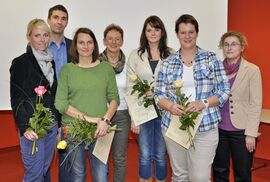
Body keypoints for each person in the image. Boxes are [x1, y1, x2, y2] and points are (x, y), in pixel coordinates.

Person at [154, 14, 230, 182]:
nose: (187, 36)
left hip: (205, 126)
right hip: (175, 126)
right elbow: (158, 94)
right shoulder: (167, 62)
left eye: (191, 32)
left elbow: (224, 90)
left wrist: (203, 103)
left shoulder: (211, 59)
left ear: (197, 33)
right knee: (180, 176)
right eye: (183, 32)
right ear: (177, 34)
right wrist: (170, 106)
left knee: (200, 178)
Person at [55, 27, 119, 182]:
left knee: (101, 175)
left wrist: (105, 121)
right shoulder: (67, 70)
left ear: (95, 45)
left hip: (100, 129)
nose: (85, 46)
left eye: (89, 42)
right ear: (75, 46)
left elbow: (114, 99)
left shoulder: (105, 68)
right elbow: (60, 103)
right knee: (77, 176)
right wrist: (89, 119)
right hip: (72, 129)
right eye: (81, 42)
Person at [10, 19, 60, 182]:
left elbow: (52, 94)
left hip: (51, 124)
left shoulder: (50, 60)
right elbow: (16, 98)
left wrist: (57, 124)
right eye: (37, 35)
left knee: (44, 170)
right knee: (34, 173)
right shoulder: (21, 62)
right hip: (33, 126)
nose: (42, 39)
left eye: (46, 35)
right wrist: (24, 127)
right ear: (29, 37)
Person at [127, 15, 173, 182]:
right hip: (142, 111)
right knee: (145, 154)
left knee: (161, 154)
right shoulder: (135, 55)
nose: (153, 33)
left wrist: (158, 92)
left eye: (156, 29)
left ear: (162, 32)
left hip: (165, 110)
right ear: (144, 33)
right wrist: (134, 118)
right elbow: (130, 87)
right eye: (149, 30)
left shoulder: (171, 55)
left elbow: (175, 85)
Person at [213, 31, 262, 182]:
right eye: (226, 44)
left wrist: (251, 134)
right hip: (218, 129)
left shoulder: (252, 70)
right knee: (219, 171)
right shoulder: (216, 69)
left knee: (242, 173)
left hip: (241, 132)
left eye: (234, 44)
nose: (229, 48)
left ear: (242, 48)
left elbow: (256, 103)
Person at [99, 24, 131, 182]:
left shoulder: (129, 64)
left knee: (119, 157)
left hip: (122, 115)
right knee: (101, 157)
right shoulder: (96, 63)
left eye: (117, 39)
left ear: (122, 41)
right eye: (110, 39)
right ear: (104, 41)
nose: (113, 42)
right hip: (101, 116)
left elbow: (133, 92)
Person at [46, 5, 72, 182]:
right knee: (45, 155)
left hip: (69, 106)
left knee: (66, 152)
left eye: (63, 18)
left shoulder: (73, 46)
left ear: (67, 22)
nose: (59, 21)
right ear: (49, 20)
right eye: (56, 17)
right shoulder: (39, 45)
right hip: (47, 106)